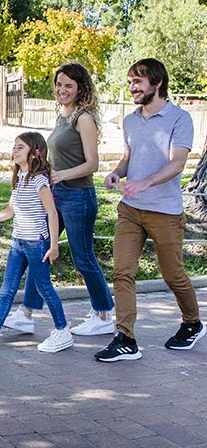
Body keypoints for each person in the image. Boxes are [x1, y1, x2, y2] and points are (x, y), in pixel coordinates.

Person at [95, 58, 203, 362]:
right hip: (130, 209)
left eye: (137, 81)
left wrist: (145, 183)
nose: (132, 87)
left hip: (165, 212)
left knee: (173, 275)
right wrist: (117, 172)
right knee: (122, 273)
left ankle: (192, 323)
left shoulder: (180, 119)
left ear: (156, 83)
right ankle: (125, 338)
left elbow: (177, 163)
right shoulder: (130, 120)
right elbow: (129, 158)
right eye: (130, 81)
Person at [3, 63, 115, 336]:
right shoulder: (63, 115)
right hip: (58, 194)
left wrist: (61, 175)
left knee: (83, 257)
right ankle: (26, 314)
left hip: (79, 197)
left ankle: (104, 314)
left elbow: (92, 164)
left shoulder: (83, 118)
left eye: (69, 86)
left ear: (80, 88)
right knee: (40, 250)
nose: (62, 90)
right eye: (59, 84)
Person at [0, 132, 74, 356]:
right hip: (18, 243)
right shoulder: (20, 177)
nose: (14, 150)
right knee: (7, 291)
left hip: (36, 243)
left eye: (20, 147)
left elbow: (51, 213)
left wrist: (53, 245)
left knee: (44, 288)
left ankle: (62, 331)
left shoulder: (40, 180)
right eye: (14, 146)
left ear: (35, 153)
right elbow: (10, 211)